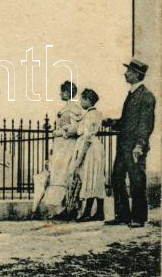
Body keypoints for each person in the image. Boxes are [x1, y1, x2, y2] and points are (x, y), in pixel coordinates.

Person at [104, 58, 156, 228]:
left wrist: (139, 145)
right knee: (117, 178)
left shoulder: (146, 96)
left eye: (129, 71)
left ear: (136, 75)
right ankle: (122, 215)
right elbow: (128, 122)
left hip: (134, 148)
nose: (125, 74)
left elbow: (146, 124)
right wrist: (113, 122)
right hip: (123, 146)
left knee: (136, 181)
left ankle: (139, 218)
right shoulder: (132, 94)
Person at [39, 80, 83, 218]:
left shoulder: (74, 109)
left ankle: (68, 208)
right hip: (61, 147)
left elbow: (75, 129)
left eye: (62, 91)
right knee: (58, 175)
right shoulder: (66, 108)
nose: (60, 94)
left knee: (65, 175)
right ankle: (61, 209)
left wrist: (60, 133)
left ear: (67, 93)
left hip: (67, 146)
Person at [67, 88, 106, 222]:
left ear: (88, 100)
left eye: (82, 99)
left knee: (90, 178)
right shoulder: (94, 114)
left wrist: (79, 158)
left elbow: (87, 137)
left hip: (90, 149)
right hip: (94, 147)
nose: (80, 102)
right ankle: (99, 212)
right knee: (96, 178)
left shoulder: (91, 115)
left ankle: (88, 213)